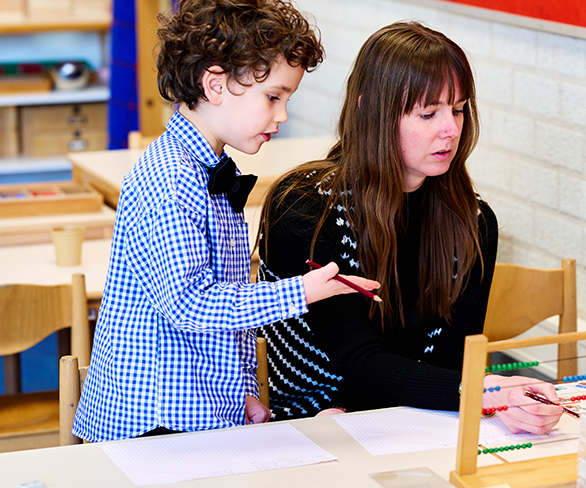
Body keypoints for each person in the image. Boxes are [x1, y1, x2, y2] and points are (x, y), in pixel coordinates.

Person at [73, 0, 378, 442]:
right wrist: (303, 291)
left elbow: (221, 315)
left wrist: (243, 395)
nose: (282, 115)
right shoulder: (171, 179)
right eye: (273, 96)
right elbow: (190, 305)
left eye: (286, 99)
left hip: (196, 413)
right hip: (149, 426)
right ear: (214, 85)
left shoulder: (210, 171)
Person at [257, 21, 562, 434]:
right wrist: (487, 390)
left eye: (457, 109)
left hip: (417, 423)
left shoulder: (472, 222)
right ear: (371, 110)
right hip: (313, 426)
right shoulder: (304, 208)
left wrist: (496, 395)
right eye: (427, 113)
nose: (451, 129)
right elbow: (358, 362)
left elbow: (451, 362)